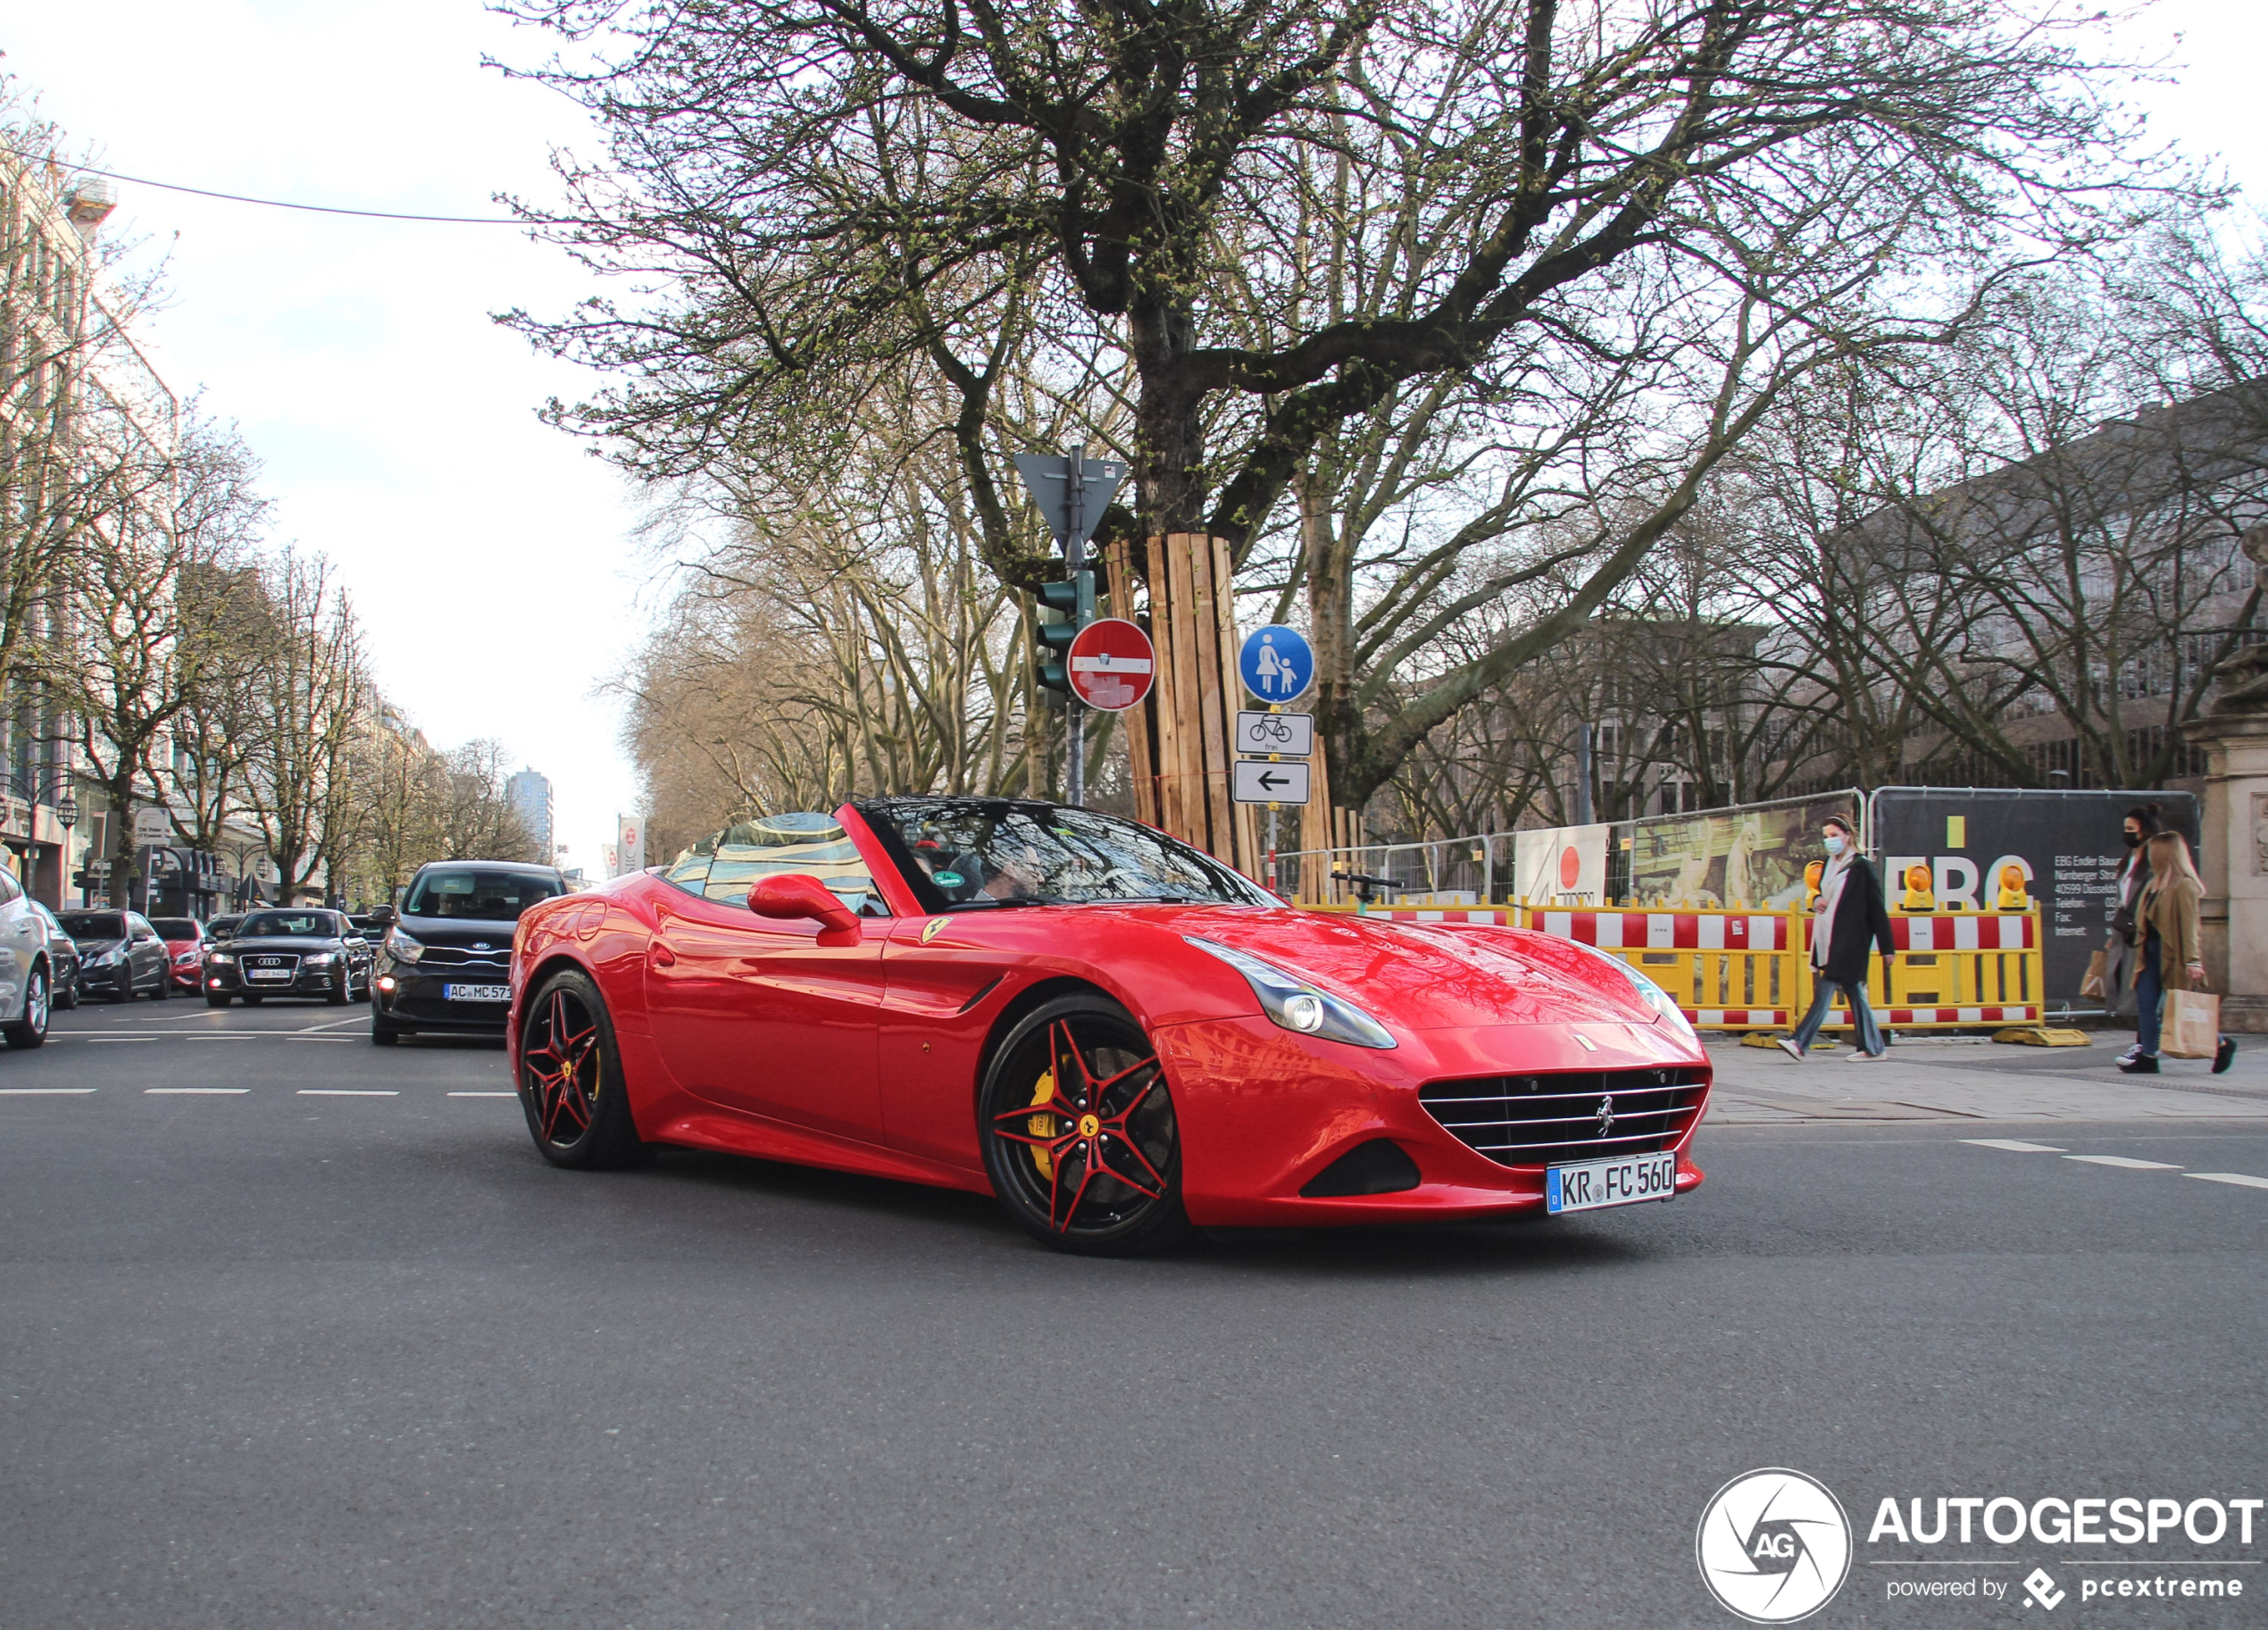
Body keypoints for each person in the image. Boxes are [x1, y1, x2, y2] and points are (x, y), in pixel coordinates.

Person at [1777, 814, 1897, 1062]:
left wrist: (1887, 947)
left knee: (1826, 987)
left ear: (1847, 836)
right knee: (1854, 992)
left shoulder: (1861, 867)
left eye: (1834, 836)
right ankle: (1873, 1048)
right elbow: (1824, 895)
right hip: (1829, 940)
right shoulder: (1829, 864)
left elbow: (1876, 907)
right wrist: (1817, 900)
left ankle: (1800, 1042)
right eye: (1826, 836)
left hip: (1850, 941)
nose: (1829, 841)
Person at [2117, 830, 2236, 1075]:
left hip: (2173, 954)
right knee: (2147, 1004)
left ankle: (2221, 1043)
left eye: (2152, 852)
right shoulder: (2152, 885)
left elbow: (2191, 927)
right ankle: (2148, 1055)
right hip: (2148, 953)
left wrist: (2193, 960)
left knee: (2182, 1007)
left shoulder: (2185, 887)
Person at [2104, 803, 2158, 1043]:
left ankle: (2145, 1045)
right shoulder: (2128, 860)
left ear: (2144, 830)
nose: (2126, 833)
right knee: (2138, 993)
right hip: (2127, 932)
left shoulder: (2153, 859)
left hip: (2146, 934)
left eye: (2131, 828)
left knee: (2146, 995)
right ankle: (2144, 1044)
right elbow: (2122, 898)